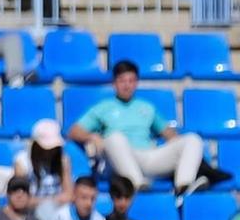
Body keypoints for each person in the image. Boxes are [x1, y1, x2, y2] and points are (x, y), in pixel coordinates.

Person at [70, 58, 215, 197]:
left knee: (192, 139)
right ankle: (135, 183)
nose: (127, 85)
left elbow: (170, 135)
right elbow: (74, 131)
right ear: (114, 83)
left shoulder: (146, 107)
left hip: (147, 156)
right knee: (114, 138)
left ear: (136, 82)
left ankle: (184, 186)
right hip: (119, 160)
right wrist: (92, 136)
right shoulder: (103, 107)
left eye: (131, 81)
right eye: (122, 81)